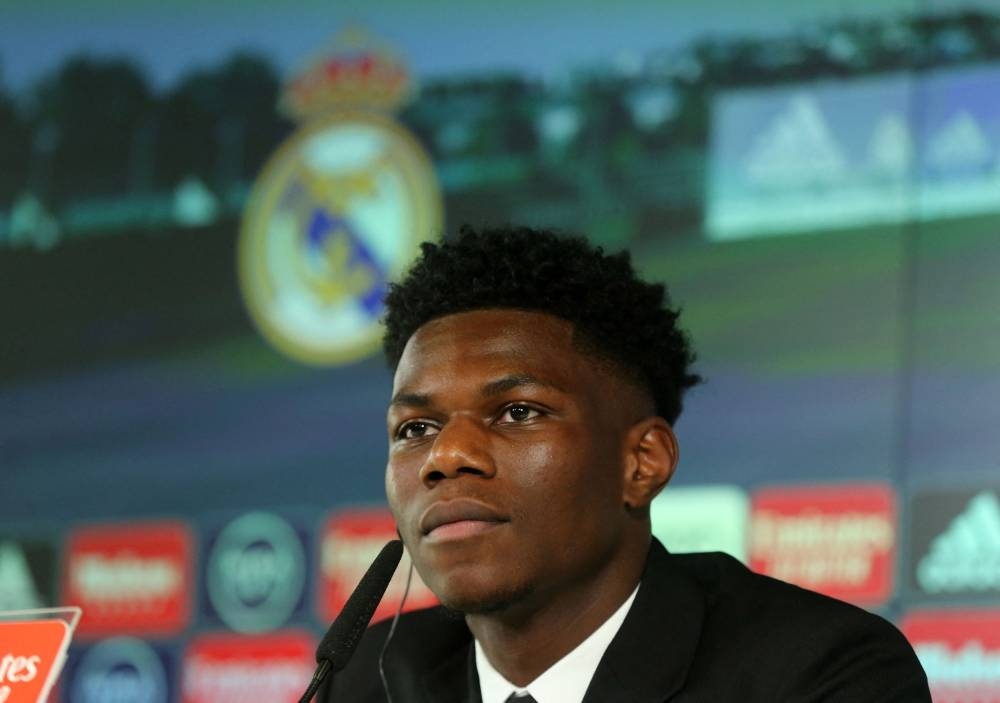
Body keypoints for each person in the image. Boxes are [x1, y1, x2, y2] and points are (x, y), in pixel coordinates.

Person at [320, 225, 931, 702]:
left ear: (642, 462)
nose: (445, 456)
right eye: (416, 428)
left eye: (517, 413)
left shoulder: (819, 674)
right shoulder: (365, 680)